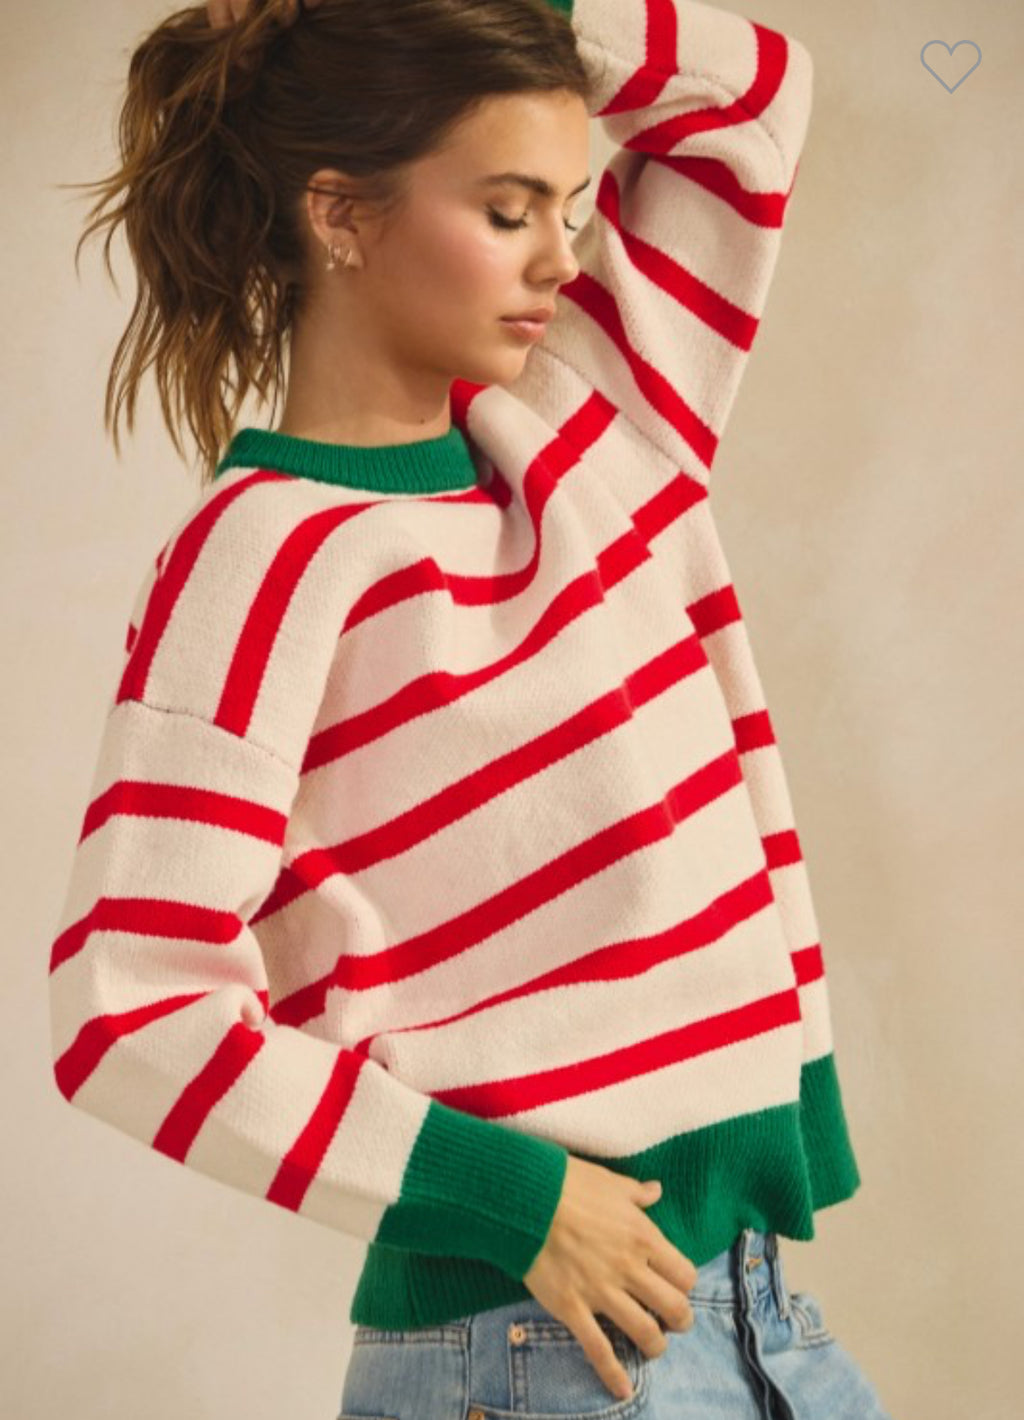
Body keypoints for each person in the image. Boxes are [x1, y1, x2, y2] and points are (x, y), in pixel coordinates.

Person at [49, 1, 894, 1415]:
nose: (564, 257)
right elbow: (127, 1005)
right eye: (509, 212)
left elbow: (754, 105)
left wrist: (488, 11)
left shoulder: (589, 432)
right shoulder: (262, 556)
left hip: (757, 1319)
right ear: (341, 214)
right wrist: (514, 1198)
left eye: (572, 206)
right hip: (537, 1345)